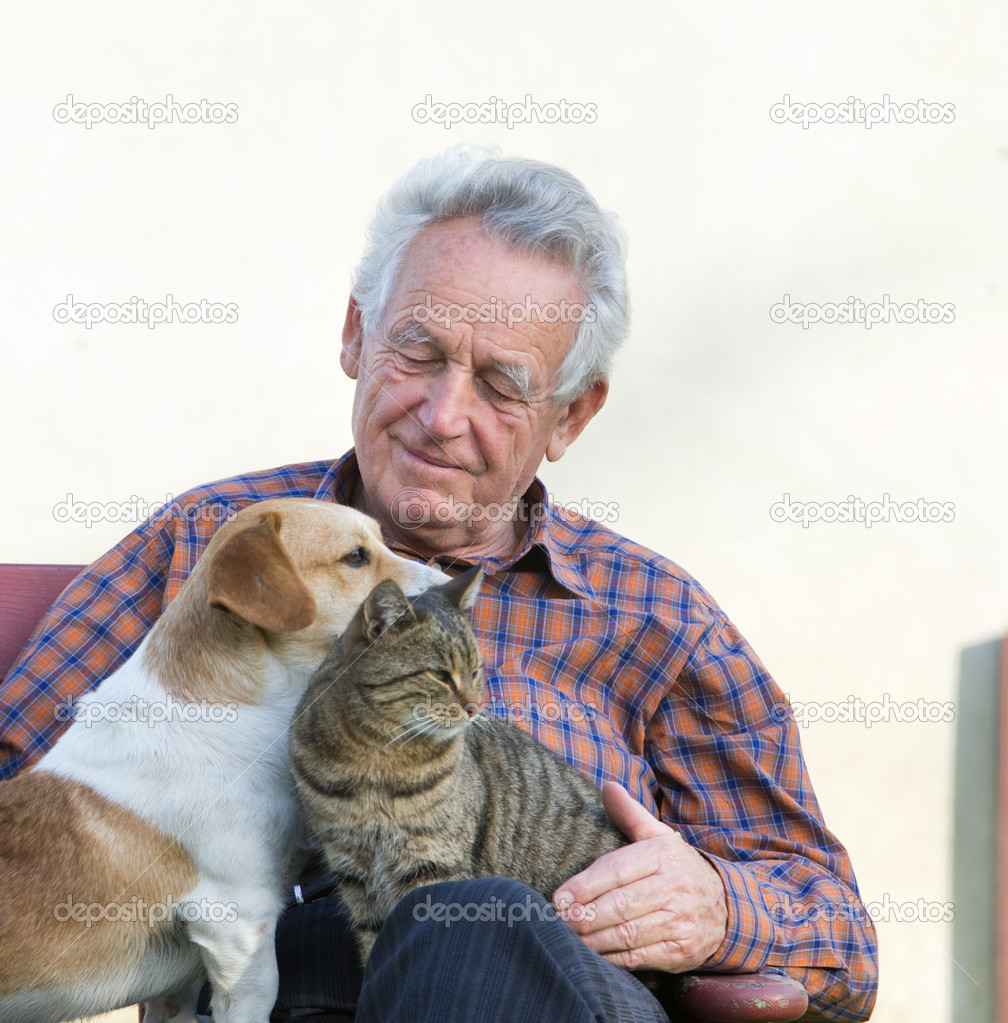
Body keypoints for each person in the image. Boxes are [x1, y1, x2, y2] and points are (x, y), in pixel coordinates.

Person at [0, 146, 878, 1021]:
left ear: (571, 415)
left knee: (466, 918)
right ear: (355, 334)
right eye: (418, 353)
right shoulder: (219, 547)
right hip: (284, 992)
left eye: (502, 384)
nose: (443, 416)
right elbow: (17, 810)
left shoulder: (655, 615)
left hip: (540, 981)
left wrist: (717, 907)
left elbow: (843, 944)